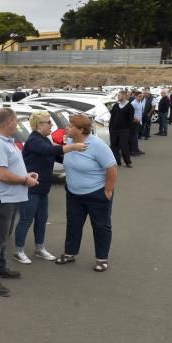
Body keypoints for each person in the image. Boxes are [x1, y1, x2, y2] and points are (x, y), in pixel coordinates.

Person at [13, 111, 87, 265]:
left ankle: (39, 248)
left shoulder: (45, 139)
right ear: (39, 125)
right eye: (48, 122)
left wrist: (75, 155)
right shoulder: (34, 140)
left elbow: (57, 155)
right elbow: (50, 151)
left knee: (41, 219)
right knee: (26, 219)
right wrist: (72, 147)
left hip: (42, 189)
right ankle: (18, 251)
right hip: (31, 189)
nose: (51, 125)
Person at [0, 107, 39, 297]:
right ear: (8, 123)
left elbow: (9, 168)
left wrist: (25, 175)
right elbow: (2, 174)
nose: (17, 125)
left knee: (3, 237)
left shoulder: (5, 141)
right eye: (15, 121)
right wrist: (24, 180)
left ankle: (1, 268)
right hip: (2, 199)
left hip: (9, 197)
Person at [56, 114, 118, 272]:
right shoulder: (70, 142)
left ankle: (102, 259)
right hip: (73, 194)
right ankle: (70, 253)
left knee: (101, 226)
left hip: (96, 194)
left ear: (82, 130)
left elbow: (111, 168)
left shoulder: (97, 145)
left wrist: (108, 190)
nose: (67, 128)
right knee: (73, 224)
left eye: (71, 126)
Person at [108, 91, 134, 168]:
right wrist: (110, 128)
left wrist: (128, 130)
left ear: (124, 96)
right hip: (114, 130)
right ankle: (117, 161)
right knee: (114, 146)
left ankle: (127, 162)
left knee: (124, 146)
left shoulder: (130, 106)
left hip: (124, 130)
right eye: (117, 95)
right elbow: (112, 117)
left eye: (119, 95)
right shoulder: (116, 105)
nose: (118, 97)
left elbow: (130, 119)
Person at [129, 91, 145, 156]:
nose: (141, 97)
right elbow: (131, 114)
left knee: (135, 136)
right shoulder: (133, 103)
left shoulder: (140, 102)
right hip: (134, 122)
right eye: (139, 96)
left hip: (138, 122)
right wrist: (135, 120)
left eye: (141, 96)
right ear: (135, 96)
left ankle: (136, 149)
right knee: (133, 137)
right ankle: (132, 150)